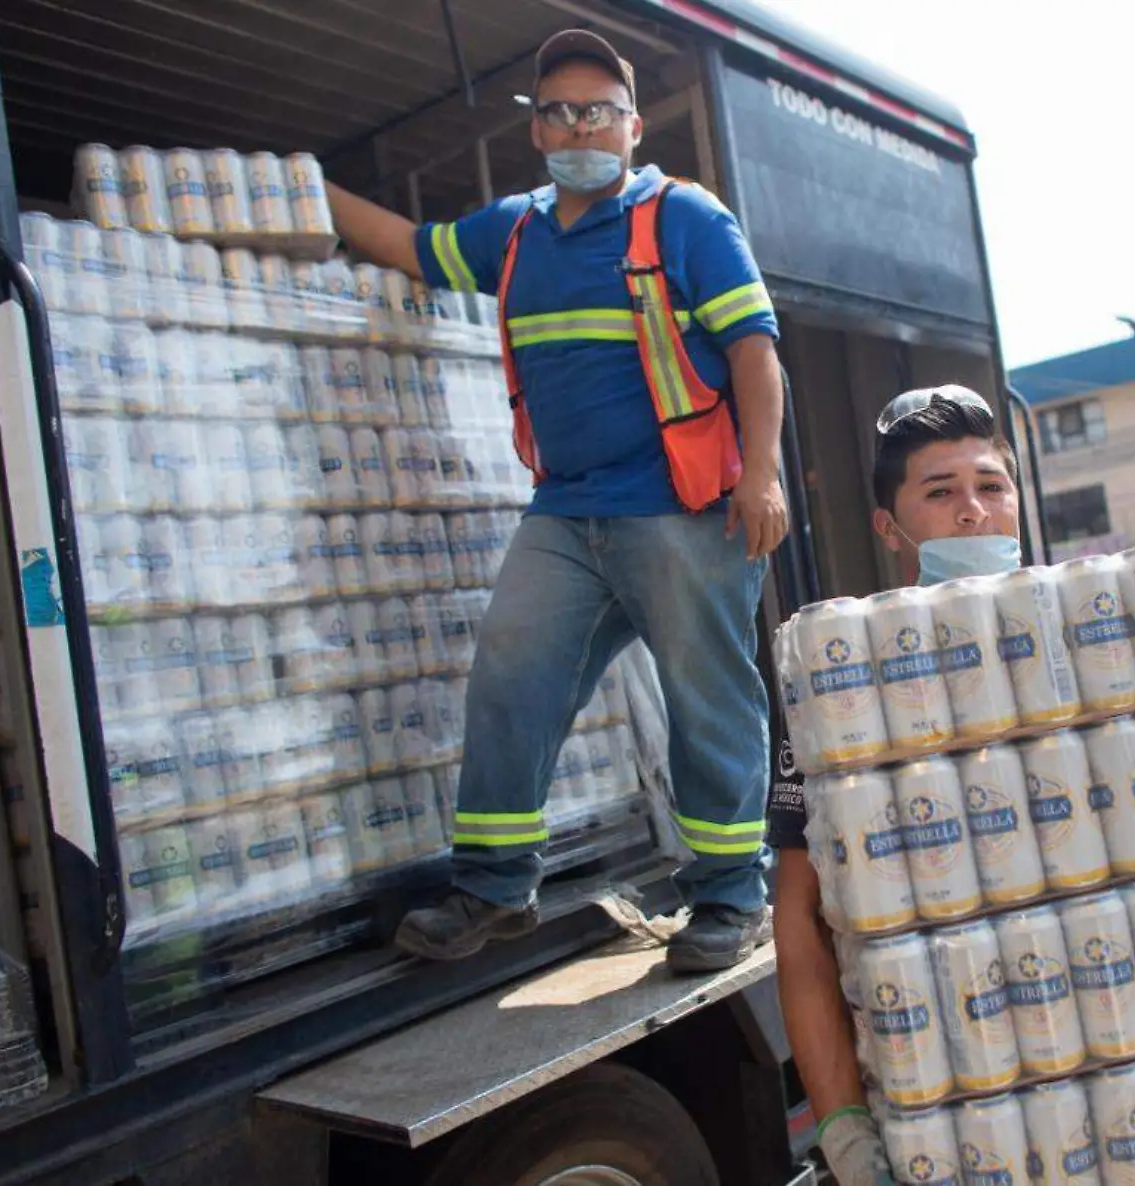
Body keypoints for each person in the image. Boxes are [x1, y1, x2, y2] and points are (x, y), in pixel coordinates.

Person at [767, 388, 1135, 1186]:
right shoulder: (840, 679)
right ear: (887, 526)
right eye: (940, 492)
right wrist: (842, 1123)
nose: (974, 512)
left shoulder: (1089, 632)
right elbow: (799, 921)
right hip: (969, 1107)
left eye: (991, 486)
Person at [323, 29, 787, 973]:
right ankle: (494, 888)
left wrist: (765, 471)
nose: (579, 125)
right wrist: (303, 189)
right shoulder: (518, 231)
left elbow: (754, 349)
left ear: (632, 124)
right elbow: (412, 249)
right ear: (535, 131)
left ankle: (731, 899)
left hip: (681, 510)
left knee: (709, 701)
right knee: (511, 674)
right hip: (566, 514)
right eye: (558, 111)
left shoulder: (685, 218)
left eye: (597, 110)